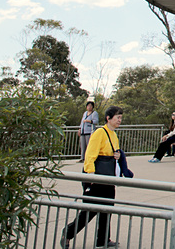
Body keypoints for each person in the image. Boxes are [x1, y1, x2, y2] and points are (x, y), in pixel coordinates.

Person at [61, 106, 124, 249]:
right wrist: (90, 177)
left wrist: (117, 155)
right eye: (117, 117)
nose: (120, 120)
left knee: (108, 209)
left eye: (121, 118)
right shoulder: (99, 133)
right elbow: (90, 155)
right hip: (97, 177)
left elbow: (113, 152)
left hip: (109, 178)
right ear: (108, 118)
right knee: (89, 211)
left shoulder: (114, 135)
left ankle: (103, 239)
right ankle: (68, 233)